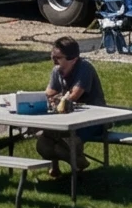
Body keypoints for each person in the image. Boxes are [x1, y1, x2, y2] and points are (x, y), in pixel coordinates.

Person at [38, 37, 107, 169]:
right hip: (69, 118)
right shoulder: (57, 70)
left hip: (94, 120)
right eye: (52, 57)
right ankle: (66, 165)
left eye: (58, 58)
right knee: (44, 143)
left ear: (73, 59)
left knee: (66, 142)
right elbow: (48, 94)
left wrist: (58, 98)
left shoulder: (84, 68)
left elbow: (73, 96)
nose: (54, 61)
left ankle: (76, 163)